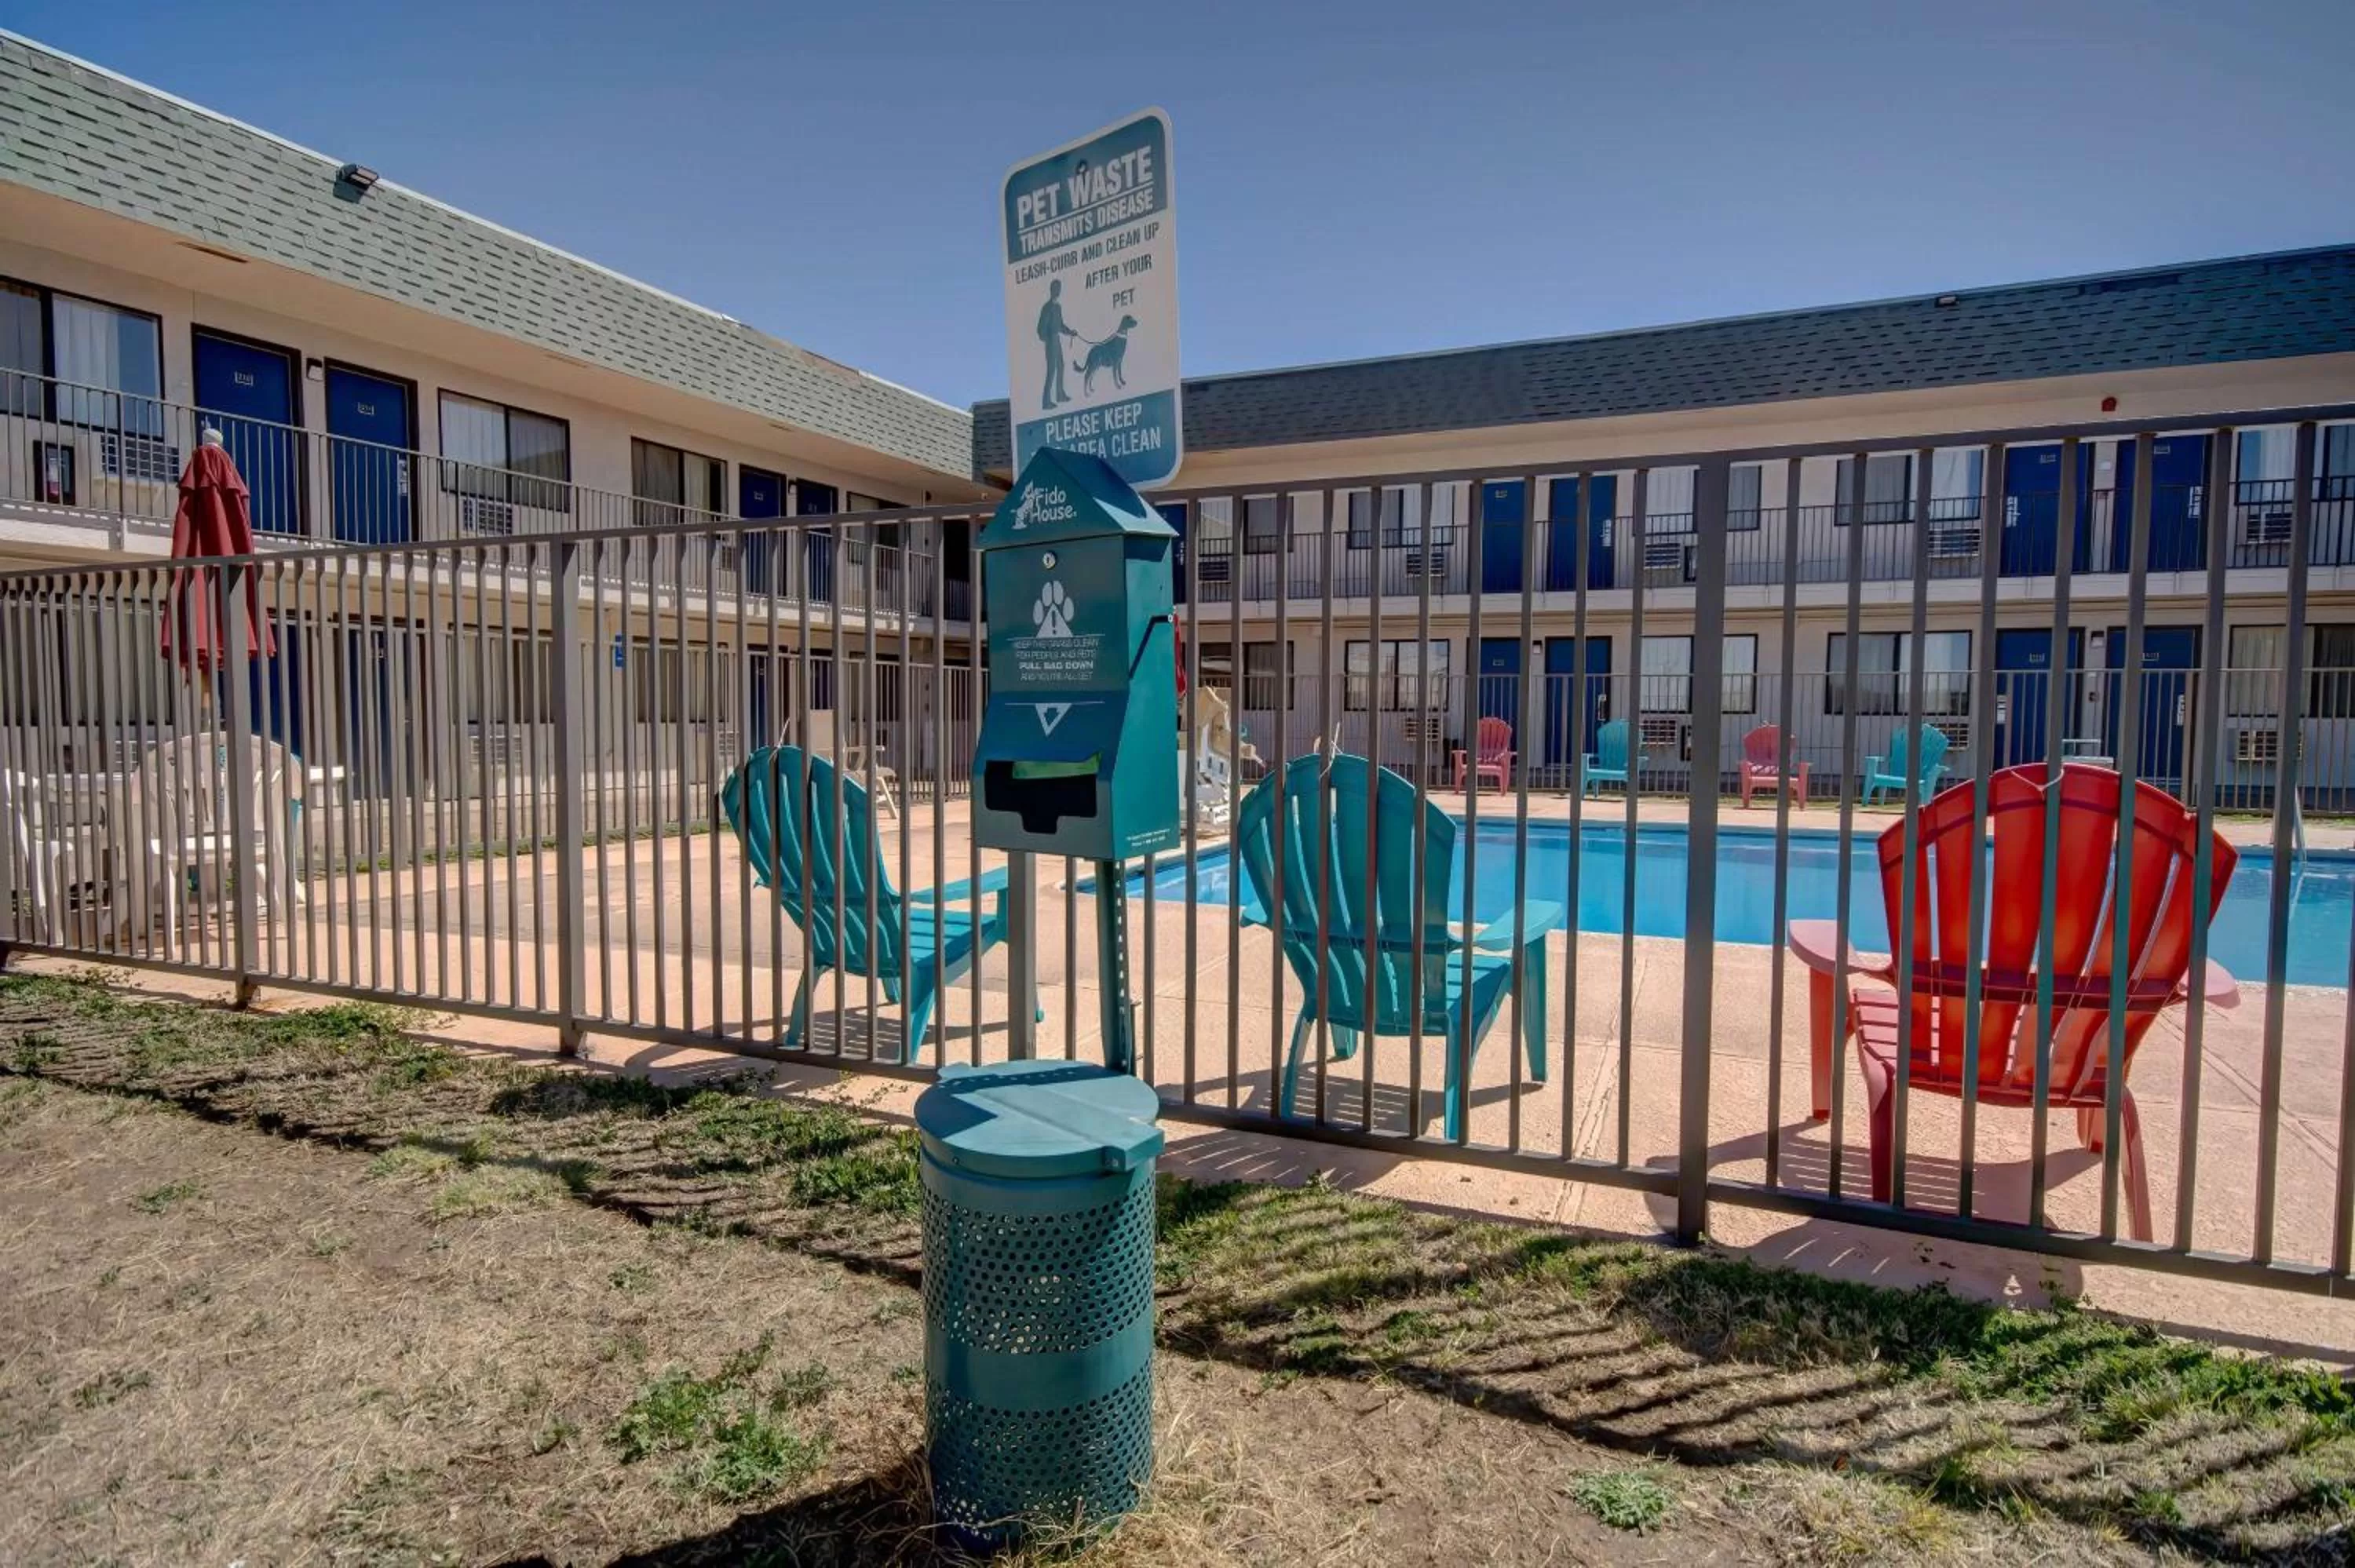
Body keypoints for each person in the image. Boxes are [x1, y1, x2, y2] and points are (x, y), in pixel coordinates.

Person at [1036, 280, 1078, 407]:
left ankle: (1060, 394)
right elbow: (1040, 329)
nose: (1058, 291)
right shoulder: (1047, 307)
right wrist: (1047, 339)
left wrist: (1070, 332)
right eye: (1056, 288)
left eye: (1059, 288)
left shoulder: (1058, 307)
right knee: (1051, 370)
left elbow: (1060, 325)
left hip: (1057, 341)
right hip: (1051, 342)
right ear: (1051, 290)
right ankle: (1046, 401)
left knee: (1061, 366)